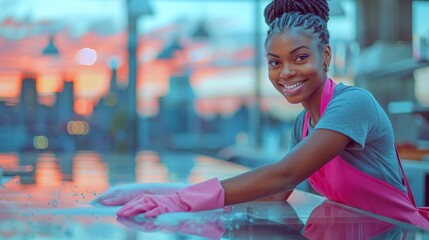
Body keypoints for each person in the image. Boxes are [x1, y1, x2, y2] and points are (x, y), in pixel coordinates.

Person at [93, 0, 429, 229]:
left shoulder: (353, 104)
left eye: (300, 58)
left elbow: (283, 175)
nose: (286, 73)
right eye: (275, 62)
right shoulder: (304, 124)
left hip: (399, 233)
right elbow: (273, 193)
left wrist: (182, 200)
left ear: (325, 57)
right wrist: (160, 190)